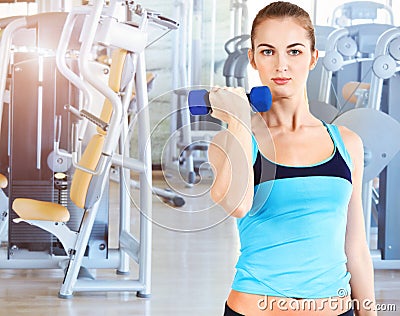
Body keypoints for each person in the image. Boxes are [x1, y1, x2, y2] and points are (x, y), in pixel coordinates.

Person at [207, 1, 376, 315]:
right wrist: (240, 120)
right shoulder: (229, 142)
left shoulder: (346, 143)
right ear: (253, 59)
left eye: (294, 51)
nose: (281, 65)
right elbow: (238, 204)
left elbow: (356, 246)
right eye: (268, 52)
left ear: (313, 58)